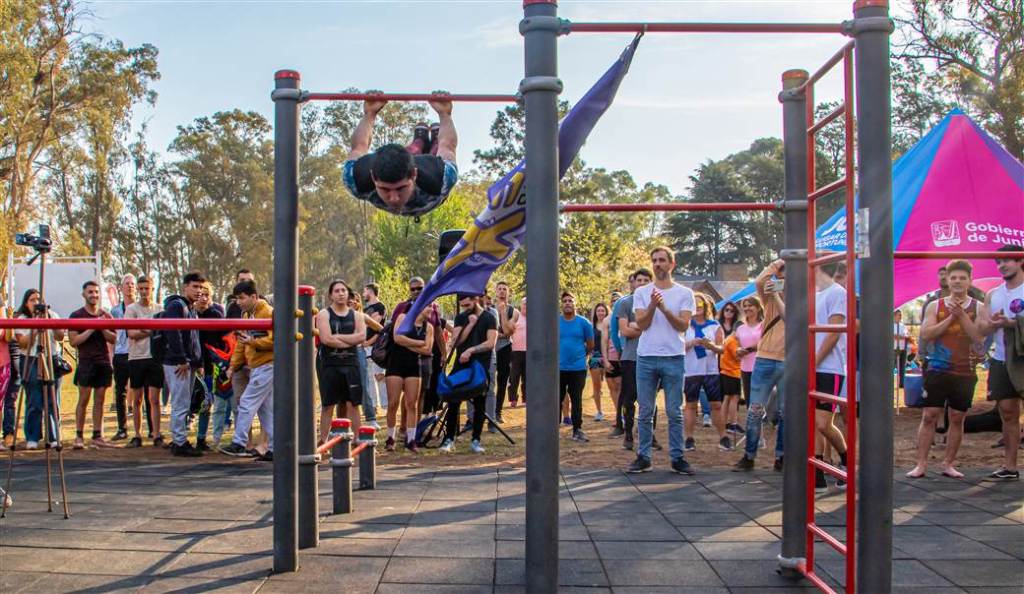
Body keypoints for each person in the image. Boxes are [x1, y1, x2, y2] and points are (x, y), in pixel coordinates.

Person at [907, 259, 985, 479]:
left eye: (962, 278)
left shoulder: (978, 307)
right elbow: (926, 334)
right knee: (930, 415)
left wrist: (961, 316)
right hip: (938, 368)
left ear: (970, 281)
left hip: (965, 370)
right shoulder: (935, 305)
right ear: (947, 281)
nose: (958, 281)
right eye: (954, 278)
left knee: (958, 417)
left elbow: (979, 338)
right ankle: (921, 464)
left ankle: (948, 463)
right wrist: (951, 317)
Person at [627, 247, 695, 475]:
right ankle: (644, 456)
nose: (657, 264)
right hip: (646, 357)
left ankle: (677, 457)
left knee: (674, 411)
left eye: (662, 260)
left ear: (671, 264)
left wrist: (664, 308)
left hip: (673, 356)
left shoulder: (684, 293)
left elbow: (683, 326)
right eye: (654, 260)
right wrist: (652, 306)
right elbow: (642, 324)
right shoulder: (642, 292)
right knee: (645, 410)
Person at [343, 96, 458, 217]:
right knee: (416, 150)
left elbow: (447, 147)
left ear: (414, 174)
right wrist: (369, 113)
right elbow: (359, 147)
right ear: (372, 177)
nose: (394, 199)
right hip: (420, 168)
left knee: (437, 148)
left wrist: (445, 114)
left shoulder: (441, 177)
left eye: (401, 188)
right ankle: (420, 140)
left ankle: (422, 140)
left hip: (427, 174)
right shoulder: (355, 179)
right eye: (385, 189)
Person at [734, 259, 786, 472]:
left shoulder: (806, 297)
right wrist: (778, 264)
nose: (784, 276)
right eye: (783, 274)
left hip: (788, 360)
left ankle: (781, 456)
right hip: (765, 358)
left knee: (784, 412)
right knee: (755, 409)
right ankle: (749, 455)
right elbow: (759, 281)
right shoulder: (771, 298)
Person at [982, 244, 1024, 481]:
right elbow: (982, 327)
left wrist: (1014, 324)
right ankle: (1010, 467)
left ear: (1020, 261)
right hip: (1001, 358)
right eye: (999, 261)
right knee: (1008, 412)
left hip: (1022, 356)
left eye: (1007, 260)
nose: (1002, 265)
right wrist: (994, 323)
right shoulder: (993, 294)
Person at [220, 280, 274, 461]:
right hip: (258, 366)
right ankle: (275, 447)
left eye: (242, 298)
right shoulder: (246, 316)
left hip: (268, 365)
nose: (238, 302)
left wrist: (254, 342)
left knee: (246, 402)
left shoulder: (268, 313)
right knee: (266, 410)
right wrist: (233, 367)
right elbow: (240, 346)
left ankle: (239, 442)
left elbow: (278, 339)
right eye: (236, 298)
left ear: (254, 296)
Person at [440, 294, 497, 454]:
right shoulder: (460, 318)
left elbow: (490, 343)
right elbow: (456, 341)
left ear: (476, 299)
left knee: (480, 403)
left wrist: (472, 350)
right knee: (453, 401)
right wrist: (470, 325)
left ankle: (476, 439)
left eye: (467, 304)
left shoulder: (489, 317)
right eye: (463, 305)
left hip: (480, 366)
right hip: (461, 366)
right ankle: (449, 438)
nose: (465, 307)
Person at [811, 262, 850, 491]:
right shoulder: (813, 294)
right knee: (813, 422)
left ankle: (846, 460)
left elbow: (834, 333)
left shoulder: (837, 292)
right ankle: (818, 472)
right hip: (813, 366)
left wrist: (815, 361)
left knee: (824, 423)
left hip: (830, 367)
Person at [316, 280, 367, 445]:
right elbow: (326, 339)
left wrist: (338, 338)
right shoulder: (324, 314)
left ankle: (358, 439)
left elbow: (361, 337)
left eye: (343, 290)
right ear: (331, 295)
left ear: (348, 293)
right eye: (336, 291)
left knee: (353, 403)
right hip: (330, 365)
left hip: (351, 364)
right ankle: (323, 440)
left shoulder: (357, 315)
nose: (340, 293)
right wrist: (348, 340)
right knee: (328, 405)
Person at [14, 290, 65, 450]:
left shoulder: (52, 315)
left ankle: (54, 436)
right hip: (30, 359)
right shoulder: (22, 319)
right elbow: (22, 343)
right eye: (32, 300)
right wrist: (36, 326)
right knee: (34, 400)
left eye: (38, 299)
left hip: (51, 358)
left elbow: (60, 337)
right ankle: (33, 437)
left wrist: (48, 319)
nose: (36, 303)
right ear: (26, 303)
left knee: (52, 399)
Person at [68, 280, 116, 449]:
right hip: (86, 362)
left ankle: (97, 435)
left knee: (100, 399)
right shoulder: (76, 315)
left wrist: (102, 327)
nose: (94, 295)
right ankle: (79, 436)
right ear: (84, 294)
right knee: (83, 399)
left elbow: (114, 338)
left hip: (103, 361)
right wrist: (92, 327)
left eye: (96, 292)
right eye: (90, 292)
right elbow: (74, 341)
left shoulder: (106, 315)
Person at [162, 271, 205, 457]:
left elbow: (194, 337)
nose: (198, 291)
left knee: (184, 402)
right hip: (178, 363)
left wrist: (198, 361)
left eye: (201, 287)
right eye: (195, 287)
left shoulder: (191, 308)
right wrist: (181, 359)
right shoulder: (176, 306)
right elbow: (173, 333)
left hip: (188, 362)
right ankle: (179, 442)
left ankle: (179, 439)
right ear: (185, 287)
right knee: (180, 403)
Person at [683, 294, 730, 451]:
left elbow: (722, 348)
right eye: (694, 306)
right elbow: (677, 347)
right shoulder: (685, 326)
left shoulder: (714, 326)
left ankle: (723, 437)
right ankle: (689, 438)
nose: (697, 309)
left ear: (706, 307)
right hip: (691, 370)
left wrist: (711, 346)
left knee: (716, 404)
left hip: (711, 370)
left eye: (700, 306)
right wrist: (692, 343)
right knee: (690, 404)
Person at [386, 304, 434, 452]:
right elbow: (397, 338)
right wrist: (418, 343)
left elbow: (427, 349)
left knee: (411, 403)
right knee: (393, 403)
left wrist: (407, 342)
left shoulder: (429, 327)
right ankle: (390, 438)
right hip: (395, 365)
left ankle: (411, 439)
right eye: (428, 307)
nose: (431, 310)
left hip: (414, 366)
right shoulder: (403, 318)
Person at [125, 275, 165, 448]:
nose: (143, 292)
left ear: (152, 288)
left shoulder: (159, 309)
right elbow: (131, 333)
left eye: (146, 288)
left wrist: (145, 329)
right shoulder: (131, 309)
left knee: (154, 399)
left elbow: (162, 332)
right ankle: (137, 434)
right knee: (137, 399)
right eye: (140, 288)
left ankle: (156, 433)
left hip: (155, 358)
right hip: (136, 357)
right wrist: (152, 330)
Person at [193, 281, 225, 450]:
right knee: (189, 403)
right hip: (194, 366)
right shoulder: (190, 314)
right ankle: (180, 438)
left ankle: (201, 438)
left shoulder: (216, 314)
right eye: (201, 295)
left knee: (207, 404)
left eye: (207, 295)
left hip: (212, 367)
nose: (203, 298)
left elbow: (224, 342)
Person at [558, 292, 594, 443]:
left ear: (575, 304)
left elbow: (590, 344)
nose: (567, 303)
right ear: (561, 304)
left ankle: (577, 430)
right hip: (558, 368)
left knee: (576, 399)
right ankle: (554, 431)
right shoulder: (555, 322)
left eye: (570, 301)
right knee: (556, 399)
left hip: (578, 369)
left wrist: (580, 357)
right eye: (565, 301)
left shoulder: (584, 323)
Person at [109, 274, 136, 441]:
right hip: (120, 353)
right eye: (127, 284)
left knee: (143, 391)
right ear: (121, 288)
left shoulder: (141, 309)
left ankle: (149, 430)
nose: (130, 287)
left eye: (132, 284)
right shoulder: (115, 311)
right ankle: (122, 428)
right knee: (120, 392)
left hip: (138, 353)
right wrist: (111, 354)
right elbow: (112, 335)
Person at [732, 296, 764, 435]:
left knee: (759, 403)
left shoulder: (763, 325)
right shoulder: (740, 328)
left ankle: (758, 434)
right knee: (751, 402)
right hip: (745, 368)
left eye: (750, 305)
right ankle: (754, 434)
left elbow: (764, 343)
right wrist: (738, 350)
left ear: (758, 307)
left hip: (761, 366)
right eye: (745, 306)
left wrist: (749, 349)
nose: (747, 308)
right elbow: (735, 344)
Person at [362, 283, 387, 428]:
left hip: (375, 346)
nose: (364, 293)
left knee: (379, 376)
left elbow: (375, 326)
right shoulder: (366, 309)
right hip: (365, 345)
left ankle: (385, 403)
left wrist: (369, 341)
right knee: (369, 378)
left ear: (371, 291)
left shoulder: (380, 307)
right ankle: (375, 405)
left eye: (365, 291)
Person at [493, 281, 516, 423]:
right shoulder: (489, 308)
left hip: (505, 348)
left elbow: (508, 331)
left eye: (504, 289)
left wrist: (502, 312)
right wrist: (497, 334)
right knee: (487, 381)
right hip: (490, 349)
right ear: (495, 292)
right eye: (499, 289)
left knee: (502, 381)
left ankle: (498, 412)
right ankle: (485, 411)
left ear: (508, 293)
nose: (502, 291)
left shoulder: (513, 311)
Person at [600, 298, 622, 427]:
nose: (615, 303)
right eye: (613, 301)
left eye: (617, 300)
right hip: (611, 357)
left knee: (623, 388)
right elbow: (604, 341)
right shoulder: (607, 320)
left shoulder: (627, 315)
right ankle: (619, 415)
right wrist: (606, 360)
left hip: (625, 357)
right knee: (613, 388)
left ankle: (626, 413)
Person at [588, 303, 609, 422]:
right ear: (595, 313)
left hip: (609, 358)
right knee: (597, 386)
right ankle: (599, 411)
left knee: (614, 386)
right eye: (598, 311)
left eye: (603, 311)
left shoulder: (610, 325)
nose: (600, 313)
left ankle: (619, 412)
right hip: (595, 359)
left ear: (606, 312)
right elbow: (588, 342)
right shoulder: (591, 327)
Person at [506, 297, 527, 408]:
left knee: (527, 378)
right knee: (514, 377)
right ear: (521, 305)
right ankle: (513, 399)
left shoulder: (534, 319)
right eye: (524, 304)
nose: (526, 306)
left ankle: (526, 399)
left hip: (529, 352)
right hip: (516, 352)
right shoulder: (517, 317)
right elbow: (508, 329)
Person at [894, 310, 910, 389]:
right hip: (893, 348)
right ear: (894, 316)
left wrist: (899, 336)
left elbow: (907, 336)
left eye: (900, 315)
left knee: (902, 366)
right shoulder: (891, 325)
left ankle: (902, 383)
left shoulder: (903, 325)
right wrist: (900, 336)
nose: (900, 316)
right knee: (892, 366)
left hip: (903, 348)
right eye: (898, 315)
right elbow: (892, 336)